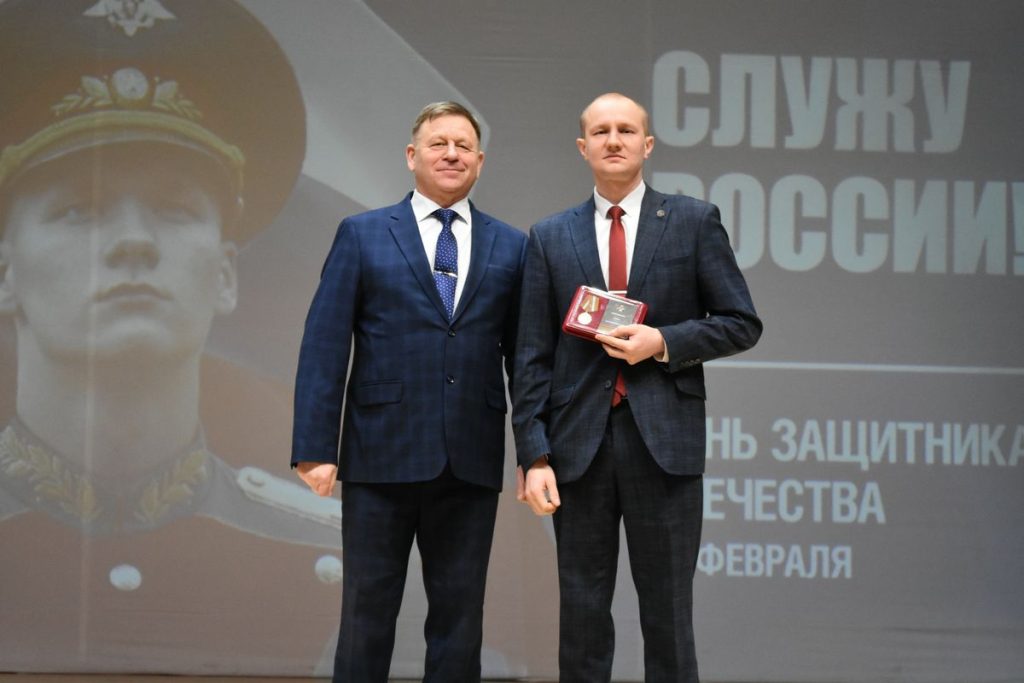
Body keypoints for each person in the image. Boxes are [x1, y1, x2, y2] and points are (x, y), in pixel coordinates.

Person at [0, 0, 343, 671]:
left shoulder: (329, 558)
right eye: (80, 209)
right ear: (7, 273)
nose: (133, 241)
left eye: (175, 208)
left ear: (225, 274)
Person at [512, 92, 763, 682]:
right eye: (600, 131)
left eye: (626, 130)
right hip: (577, 448)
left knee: (669, 615)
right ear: (583, 148)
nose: (613, 140)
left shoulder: (693, 221)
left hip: (665, 444)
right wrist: (533, 453)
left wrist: (664, 341)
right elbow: (530, 356)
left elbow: (741, 322)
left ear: (647, 145)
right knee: (581, 617)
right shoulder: (550, 236)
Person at [292, 100, 527, 682]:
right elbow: (325, 344)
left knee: (460, 622)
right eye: (438, 143)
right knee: (366, 615)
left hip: (470, 459)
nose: (451, 154)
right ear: (411, 155)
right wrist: (315, 447)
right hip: (380, 454)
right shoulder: (363, 234)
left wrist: (535, 453)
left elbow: (526, 360)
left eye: (463, 145)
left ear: (480, 161)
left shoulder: (511, 245)